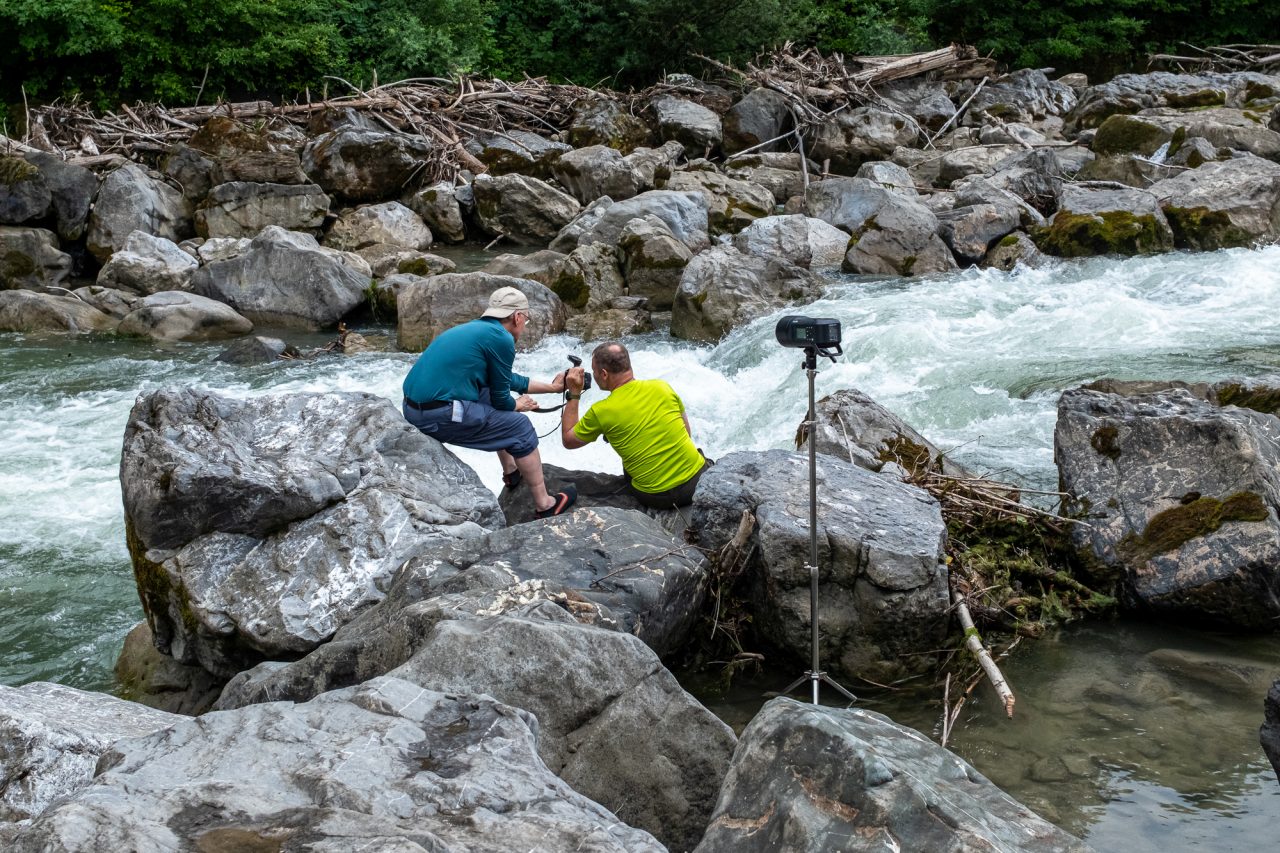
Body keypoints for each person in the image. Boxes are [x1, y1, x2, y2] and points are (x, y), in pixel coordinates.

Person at [402, 286, 576, 518]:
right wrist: (518, 405)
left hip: (413, 409)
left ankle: (512, 472)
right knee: (519, 426)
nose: (524, 325)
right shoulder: (502, 338)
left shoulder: (474, 330)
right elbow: (503, 399)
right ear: (517, 316)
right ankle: (545, 505)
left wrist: (553, 388)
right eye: (526, 319)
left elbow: (505, 380)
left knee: (485, 396)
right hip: (439, 414)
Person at [560, 341, 710, 509]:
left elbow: (568, 439)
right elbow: (687, 433)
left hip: (657, 497)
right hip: (697, 484)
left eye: (594, 371)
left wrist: (574, 393)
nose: (593, 376)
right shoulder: (662, 387)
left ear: (604, 374)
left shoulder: (601, 411)